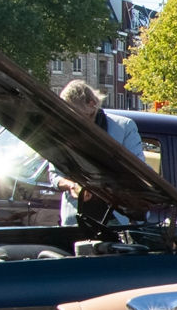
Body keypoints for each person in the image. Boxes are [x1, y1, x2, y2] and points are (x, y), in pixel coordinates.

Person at [54, 80, 145, 226]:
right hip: (74, 220)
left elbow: (137, 170)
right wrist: (72, 186)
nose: (75, 121)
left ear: (92, 103)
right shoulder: (64, 130)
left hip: (114, 218)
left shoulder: (124, 127)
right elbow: (54, 174)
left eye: (79, 115)